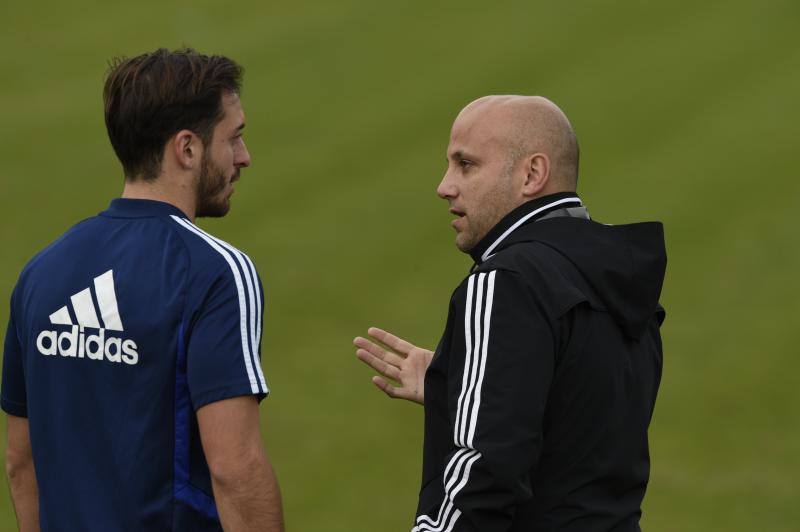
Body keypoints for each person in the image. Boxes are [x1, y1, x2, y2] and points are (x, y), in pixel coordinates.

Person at [2, 48, 284, 531]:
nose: (244, 157)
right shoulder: (215, 273)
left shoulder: (41, 273)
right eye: (233, 137)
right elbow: (235, 469)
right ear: (187, 149)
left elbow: (20, 461)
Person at [355, 95, 666, 531]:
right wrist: (458, 386)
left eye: (466, 165)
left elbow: (484, 473)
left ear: (532, 174)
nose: (444, 186)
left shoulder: (507, 281)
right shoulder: (619, 280)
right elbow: (577, 432)